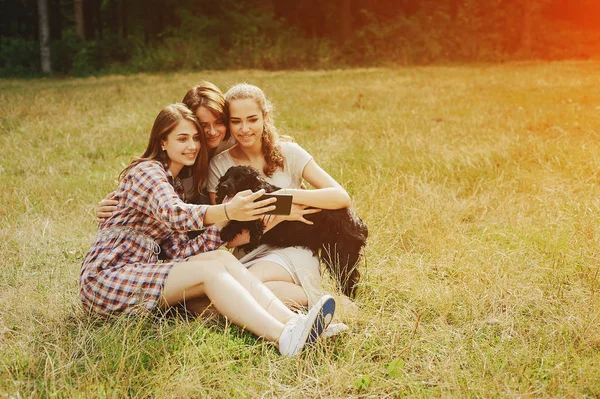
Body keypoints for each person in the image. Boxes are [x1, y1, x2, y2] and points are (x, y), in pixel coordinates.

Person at [80, 103, 336, 356]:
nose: (192, 146)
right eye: (182, 138)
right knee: (208, 270)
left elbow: (181, 252)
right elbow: (175, 214)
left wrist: (225, 224)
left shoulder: (175, 187)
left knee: (220, 258)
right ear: (162, 142)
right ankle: (283, 337)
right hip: (107, 277)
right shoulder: (147, 172)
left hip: (141, 274)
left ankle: (294, 323)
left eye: (195, 138)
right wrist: (227, 212)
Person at [206, 83, 355, 312]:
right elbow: (227, 239)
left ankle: (315, 308)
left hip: (295, 249)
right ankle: (324, 302)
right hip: (249, 251)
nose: (245, 128)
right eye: (236, 121)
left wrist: (287, 195)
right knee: (233, 293)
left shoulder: (290, 152)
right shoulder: (220, 165)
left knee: (240, 290)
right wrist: (282, 213)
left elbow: (341, 197)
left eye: (252, 119)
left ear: (265, 117)